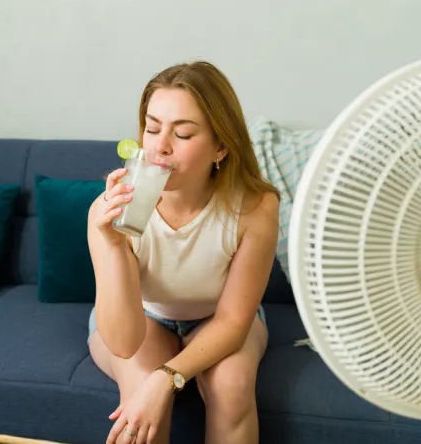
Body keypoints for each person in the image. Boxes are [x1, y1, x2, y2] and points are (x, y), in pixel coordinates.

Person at [87, 61, 280, 444]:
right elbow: (123, 343)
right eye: (152, 128)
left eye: (183, 133)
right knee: (139, 397)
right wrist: (114, 245)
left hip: (217, 319)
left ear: (221, 146)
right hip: (144, 317)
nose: (160, 146)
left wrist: (168, 377)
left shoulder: (255, 208)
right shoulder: (108, 212)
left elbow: (232, 321)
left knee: (232, 388)